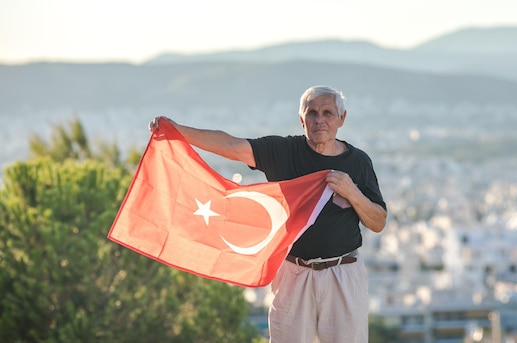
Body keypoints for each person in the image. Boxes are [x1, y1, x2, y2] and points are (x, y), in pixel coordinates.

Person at [149, 85, 387, 343]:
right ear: (301, 119)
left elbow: (378, 221)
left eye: (328, 113)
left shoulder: (358, 162)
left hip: (343, 272)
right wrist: (178, 131)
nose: (320, 120)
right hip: (294, 273)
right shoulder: (283, 151)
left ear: (341, 119)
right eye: (312, 113)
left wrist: (352, 193)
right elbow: (232, 145)